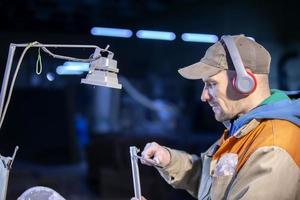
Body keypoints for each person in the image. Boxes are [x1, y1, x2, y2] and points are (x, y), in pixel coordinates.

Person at [131, 34, 300, 200]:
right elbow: (215, 184)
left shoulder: (274, 144)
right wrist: (169, 160)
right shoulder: (245, 128)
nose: (204, 96)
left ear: (245, 82)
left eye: (211, 84)